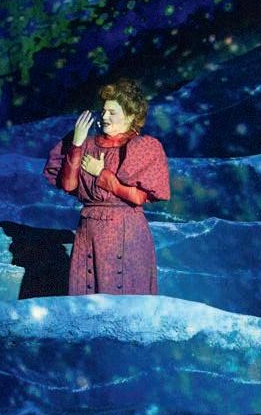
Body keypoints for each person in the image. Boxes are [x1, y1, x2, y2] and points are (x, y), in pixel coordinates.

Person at [43, 78, 170, 295]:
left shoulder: (142, 147)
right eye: (103, 111)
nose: (104, 117)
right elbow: (69, 184)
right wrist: (77, 144)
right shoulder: (88, 144)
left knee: (123, 297)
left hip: (126, 231)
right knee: (88, 297)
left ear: (130, 116)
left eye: (112, 112)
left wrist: (101, 174)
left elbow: (137, 197)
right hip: (89, 229)